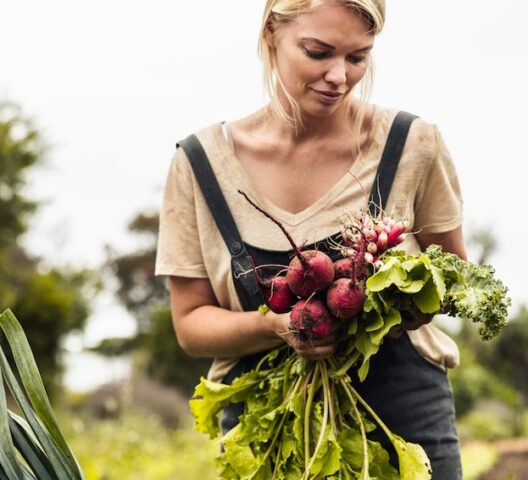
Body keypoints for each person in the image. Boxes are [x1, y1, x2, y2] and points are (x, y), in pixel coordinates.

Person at [155, 1, 467, 478]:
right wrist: (277, 327)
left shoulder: (412, 145)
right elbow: (190, 324)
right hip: (272, 436)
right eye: (318, 52)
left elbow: (454, 281)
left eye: (357, 58)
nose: (339, 76)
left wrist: (378, 309)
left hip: (403, 424)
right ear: (270, 34)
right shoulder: (201, 165)